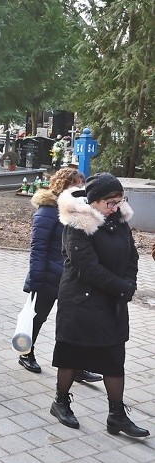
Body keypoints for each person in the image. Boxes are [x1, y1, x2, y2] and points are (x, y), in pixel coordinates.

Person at [49, 173, 148, 437]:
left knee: (114, 358)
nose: (116, 207)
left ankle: (116, 414)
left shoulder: (119, 221)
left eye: (120, 200)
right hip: (81, 301)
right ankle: (60, 402)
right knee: (71, 354)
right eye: (111, 202)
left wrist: (129, 283)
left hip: (112, 300)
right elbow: (88, 268)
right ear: (94, 201)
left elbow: (132, 256)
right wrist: (123, 288)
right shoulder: (77, 225)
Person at [20, 168, 102, 382]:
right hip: (49, 275)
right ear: (63, 185)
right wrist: (36, 280)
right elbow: (38, 248)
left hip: (72, 277)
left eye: (82, 185)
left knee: (72, 323)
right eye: (76, 185)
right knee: (37, 317)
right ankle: (25, 351)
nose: (80, 189)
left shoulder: (78, 209)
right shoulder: (47, 211)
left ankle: (74, 366)